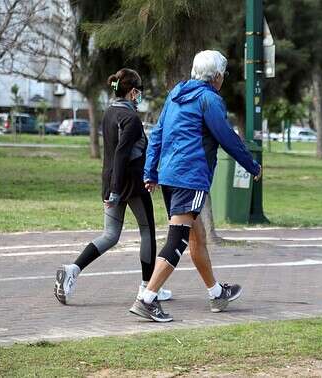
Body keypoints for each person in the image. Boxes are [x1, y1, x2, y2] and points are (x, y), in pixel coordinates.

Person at [129, 50, 262, 322]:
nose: (223, 78)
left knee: (197, 236)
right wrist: (252, 166)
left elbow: (158, 134)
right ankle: (147, 299)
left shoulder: (176, 94)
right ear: (216, 77)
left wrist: (150, 171)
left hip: (168, 176)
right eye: (223, 74)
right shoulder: (209, 99)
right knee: (178, 240)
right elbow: (226, 136)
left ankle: (216, 294)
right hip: (191, 177)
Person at [54, 68, 171, 305]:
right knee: (147, 231)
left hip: (111, 182)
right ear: (133, 92)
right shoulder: (132, 119)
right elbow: (121, 155)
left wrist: (112, 190)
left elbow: (114, 154)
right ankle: (147, 288)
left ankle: (72, 269)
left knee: (110, 235)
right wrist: (117, 191)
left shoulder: (109, 113)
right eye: (139, 92)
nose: (140, 97)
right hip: (130, 185)